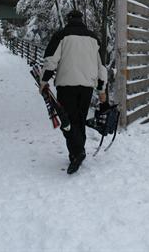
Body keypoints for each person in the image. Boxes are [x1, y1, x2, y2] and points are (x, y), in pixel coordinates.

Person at [40, 9, 107, 174]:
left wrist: (43, 81)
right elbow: (101, 66)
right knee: (79, 119)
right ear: (82, 20)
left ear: (68, 20)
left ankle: (77, 152)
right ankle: (77, 152)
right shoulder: (94, 38)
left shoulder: (61, 35)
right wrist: (101, 89)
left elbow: (51, 60)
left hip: (66, 85)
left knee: (67, 121)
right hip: (86, 87)